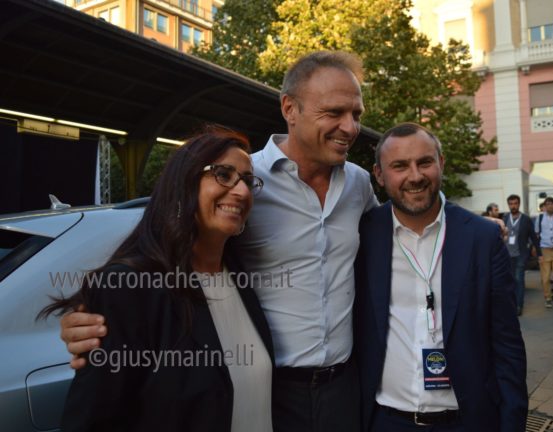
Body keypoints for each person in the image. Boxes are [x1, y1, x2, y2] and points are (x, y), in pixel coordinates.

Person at [58, 51, 378, 432]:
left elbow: (392, 248)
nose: (350, 127)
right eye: (334, 112)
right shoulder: (245, 177)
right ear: (290, 109)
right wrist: (98, 315)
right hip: (273, 389)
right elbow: (153, 245)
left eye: (356, 114)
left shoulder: (359, 184)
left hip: (342, 387)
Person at [38, 128, 273, 431]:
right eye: (223, 175)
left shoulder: (240, 274)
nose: (242, 191)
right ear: (183, 184)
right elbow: (92, 418)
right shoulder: (129, 288)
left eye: (248, 181)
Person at [354, 123, 528, 432]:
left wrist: (512, 422)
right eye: (399, 166)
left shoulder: (482, 238)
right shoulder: (362, 234)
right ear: (379, 175)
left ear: (441, 163)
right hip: (386, 421)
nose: (415, 176)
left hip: (466, 421)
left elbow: (507, 344)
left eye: (424, 162)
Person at [502, 194, 541, 316]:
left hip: (520, 254)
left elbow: (533, 236)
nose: (513, 206)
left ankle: (519, 305)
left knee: (519, 279)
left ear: (519, 204)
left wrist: (539, 254)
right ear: (508, 205)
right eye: (511, 204)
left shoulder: (525, 219)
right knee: (510, 280)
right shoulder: (505, 218)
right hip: (507, 254)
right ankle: (511, 304)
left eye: (515, 203)